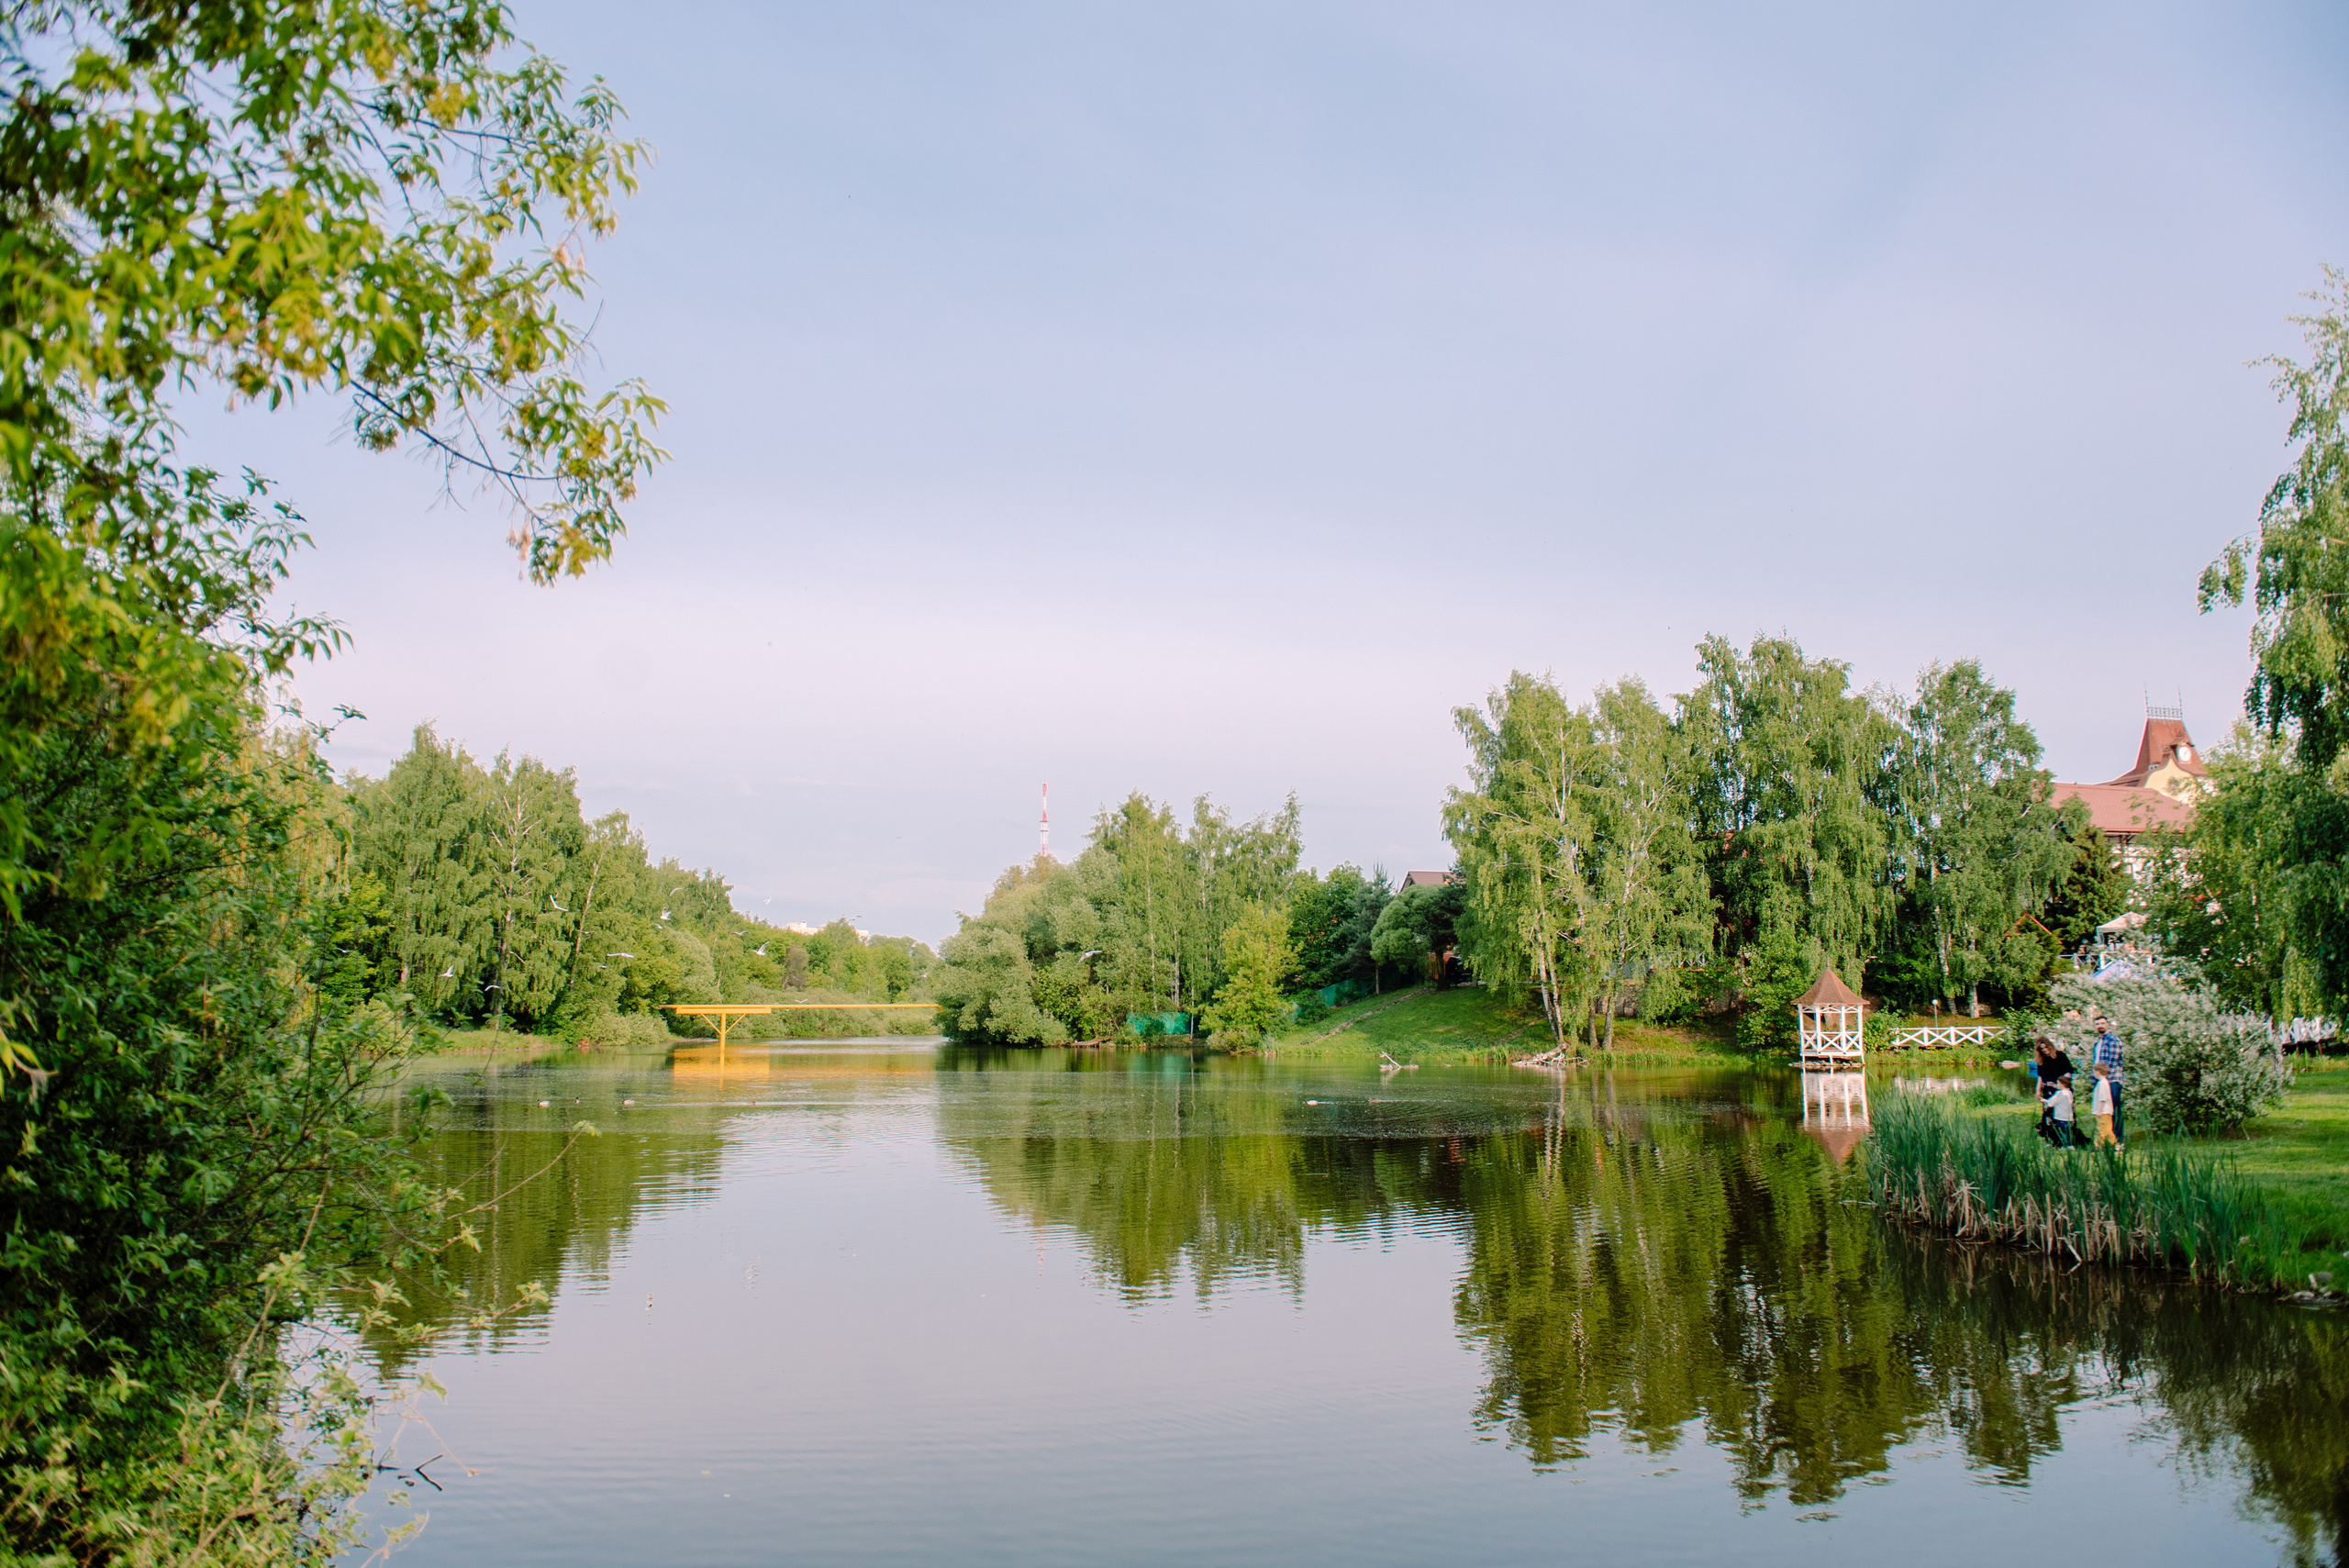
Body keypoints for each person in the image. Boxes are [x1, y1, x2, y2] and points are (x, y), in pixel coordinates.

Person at [2090, 1015, 2125, 1147]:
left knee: (2114, 1110)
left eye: (2102, 1023)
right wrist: (2095, 1080)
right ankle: (2107, 1139)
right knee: (2104, 1111)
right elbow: (2095, 1062)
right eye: (2097, 1023)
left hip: (2112, 1080)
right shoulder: (2098, 1042)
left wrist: (2103, 1079)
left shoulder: (2113, 1040)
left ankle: (2118, 1140)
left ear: (2107, 1025)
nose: (2100, 1026)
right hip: (2101, 1080)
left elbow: (2112, 1061)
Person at [2090, 1063, 2118, 1148]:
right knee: (2108, 1130)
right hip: (2107, 1111)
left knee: (2101, 1130)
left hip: (2103, 1111)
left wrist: (2099, 1110)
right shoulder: (2104, 1082)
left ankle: (2098, 1147)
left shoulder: (2102, 1083)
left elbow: (2102, 1098)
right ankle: (2115, 1145)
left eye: (2094, 1072)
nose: (2093, 1074)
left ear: (2098, 1072)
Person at [2049, 1075, 2076, 1148]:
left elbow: (2051, 1103)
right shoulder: (2069, 1093)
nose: (2056, 1085)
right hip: (2068, 1117)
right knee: (2067, 1133)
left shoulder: (2059, 1093)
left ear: (2062, 1085)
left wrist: (2045, 1101)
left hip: (2060, 1117)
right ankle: (2069, 1145)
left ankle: (2065, 1146)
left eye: (2057, 1083)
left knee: (2062, 1133)